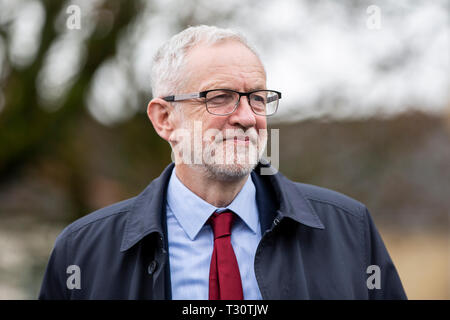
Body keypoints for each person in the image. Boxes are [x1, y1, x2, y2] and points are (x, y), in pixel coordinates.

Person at [39, 25, 407, 300]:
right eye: (221, 97)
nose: (247, 117)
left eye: (258, 99)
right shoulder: (82, 251)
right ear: (164, 119)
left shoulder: (348, 231)